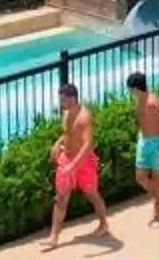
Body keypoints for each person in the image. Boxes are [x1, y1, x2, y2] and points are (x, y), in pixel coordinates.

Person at [44, 80, 111, 249]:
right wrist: (57, 144)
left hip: (83, 162)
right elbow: (67, 133)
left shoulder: (83, 117)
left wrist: (73, 165)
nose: (60, 103)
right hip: (67, 159)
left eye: (63, 99)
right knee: (60, 198)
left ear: (72, 99)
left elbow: (88, 144)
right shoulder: (66, 113)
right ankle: (54, 237)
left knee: (92, 194)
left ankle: (104, 224)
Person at [129, 70, 159, 227]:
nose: (130, 93)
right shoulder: (138, 101)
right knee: (140, 177)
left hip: (157, 143)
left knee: (157, 178)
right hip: (144, 141)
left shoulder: (152, 103)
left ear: (136, 88)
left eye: (131, 89)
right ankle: (158, 197)